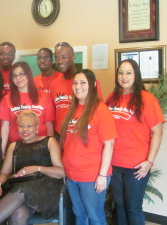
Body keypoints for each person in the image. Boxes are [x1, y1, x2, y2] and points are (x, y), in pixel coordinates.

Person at [105, 59, 164, 225]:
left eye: (128, 72)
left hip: (136, 166)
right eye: (121, 72)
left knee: (133, 207)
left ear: (136, 75)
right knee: (120, 205)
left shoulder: (147, 99)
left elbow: (157, 132)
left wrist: (149, 162)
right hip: (114, 163)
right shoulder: (111, 98)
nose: (124, 76)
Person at [0, 110, 65, 225]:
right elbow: (4, 173)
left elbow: (61, 172)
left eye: (29, 126)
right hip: (18, 192)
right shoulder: (14, 146)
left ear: (37, 127)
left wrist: (37, 168)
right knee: (18, 214)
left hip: (45, 189)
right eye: (21, 126)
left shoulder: (49, 142)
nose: (25, 129)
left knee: (23, 189)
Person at [60, 69, 117, 225]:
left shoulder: (100, 110)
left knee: (95, 215)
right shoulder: (71, 110)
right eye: (75, 83)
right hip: (72, 175)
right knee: (79, 214)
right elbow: (68, 144)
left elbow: (109, 144)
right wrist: (66, 170)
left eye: (83, 82)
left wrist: (102, 176)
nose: (78, 86)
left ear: (92, 85)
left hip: (92, 176)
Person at [0, 61, 55, 156]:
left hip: (40, 147)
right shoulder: (7, 99)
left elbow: (49, 125)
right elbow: (5, 127)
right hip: (16, 146)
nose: (18, 78)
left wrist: (49, 147)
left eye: (21, 74)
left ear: (28, 75)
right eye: (14, 76)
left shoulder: (44, 96)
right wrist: (2, 151)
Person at [51, 42, 102, 136]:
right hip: (60, 135)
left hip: (82, 133)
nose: (59, 61)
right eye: (56, 57)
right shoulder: (54, 84)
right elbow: (53, 114)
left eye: (64, 56)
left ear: (74, 57)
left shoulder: (89, 82)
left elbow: (98, 110)